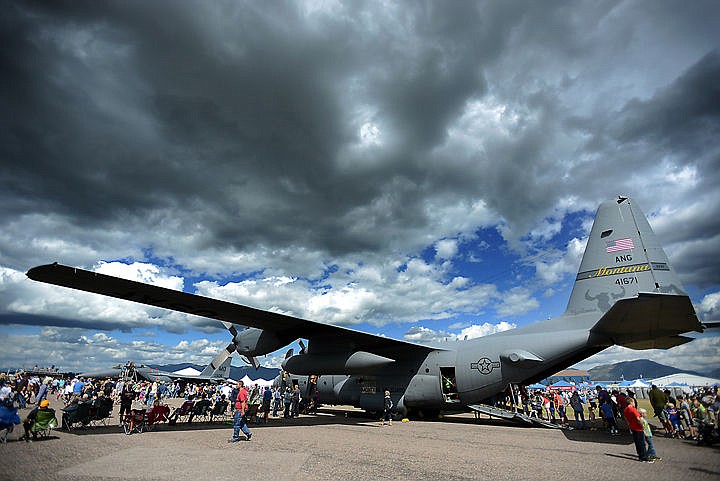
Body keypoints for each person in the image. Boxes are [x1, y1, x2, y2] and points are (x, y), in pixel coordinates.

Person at [623, 397, 652, 463]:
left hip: (632, 427)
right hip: (638, 428)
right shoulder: (633, 409)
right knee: (642, 443)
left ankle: (640, 456)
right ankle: (644, 457)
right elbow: (638, 419)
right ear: (631, 402)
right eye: (633, 402)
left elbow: (627, 419)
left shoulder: (625, 410)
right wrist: (642, 426)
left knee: (637, 443)